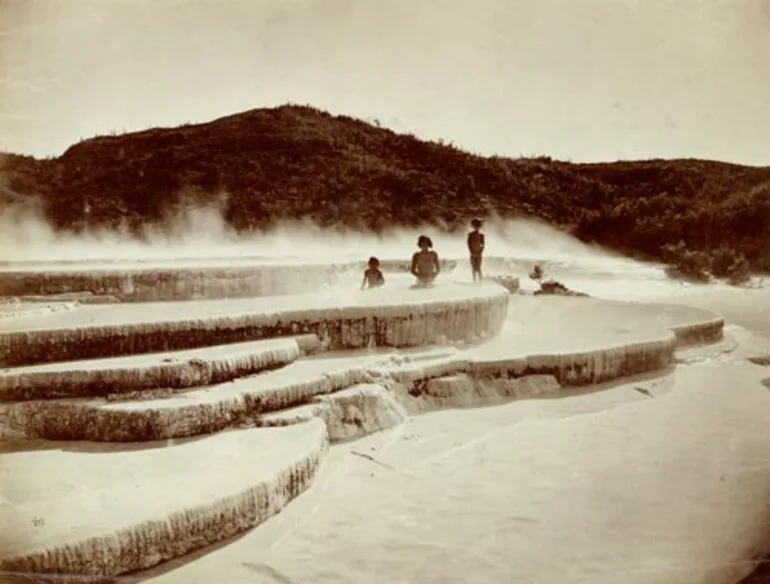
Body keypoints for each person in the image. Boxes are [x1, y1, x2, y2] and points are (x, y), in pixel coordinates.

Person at [467, 218, 485, 282]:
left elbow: (483, 245)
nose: (476, 227)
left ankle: (480, 281)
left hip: (478, 253)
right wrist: (472, 252)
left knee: (479, 268)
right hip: (473, 253)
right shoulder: (470, 235)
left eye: (478, 226)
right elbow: (468, 244)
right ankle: (474, 281)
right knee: (474, 268)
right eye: (475, 226)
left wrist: (480, 252)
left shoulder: (481, 235)